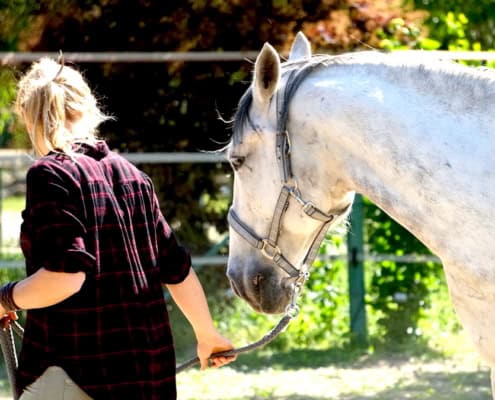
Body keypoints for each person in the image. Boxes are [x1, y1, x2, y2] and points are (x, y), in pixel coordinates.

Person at [0, 56, 236, 400]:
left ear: (30, 116)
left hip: (75, 373)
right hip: (147, 377)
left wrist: (6, 298)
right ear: (88, 108)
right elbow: (176, 270)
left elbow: (65, 277)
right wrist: (207, 334)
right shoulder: (133, 176)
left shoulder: (50, 174)